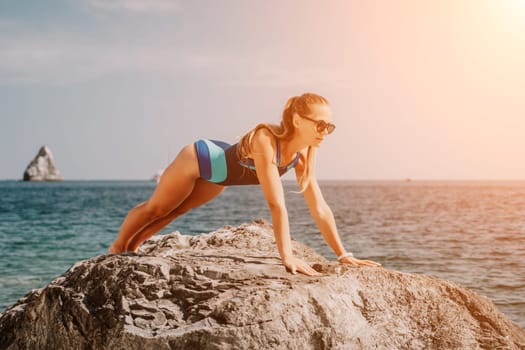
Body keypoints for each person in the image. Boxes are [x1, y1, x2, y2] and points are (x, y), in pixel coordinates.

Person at [108, 92, 381, 276]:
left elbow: (319, 207)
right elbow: (276, 203)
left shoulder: (306, 151)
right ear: (298, 120)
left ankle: (133, 250)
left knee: (177, 210)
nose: (325, 132)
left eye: (329, 127)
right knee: (157, 208)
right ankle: (117, 249)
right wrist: (287, 257)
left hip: (221, 178)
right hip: (200, 158)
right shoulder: (266, 138)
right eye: (320, 125)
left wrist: (344, 254)